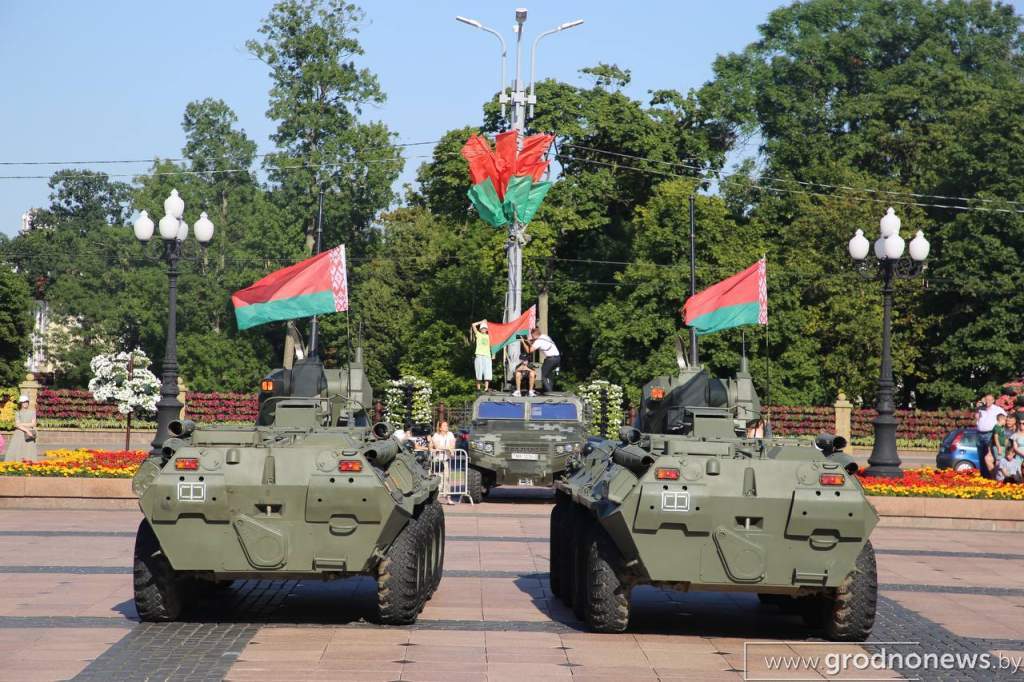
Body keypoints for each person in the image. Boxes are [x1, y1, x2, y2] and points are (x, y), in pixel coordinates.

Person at [974, 393, 1005, 479]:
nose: (987, 402)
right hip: (979, 434)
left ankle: (992, 476)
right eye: (986, 400)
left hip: (990, 434)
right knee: (981, 456)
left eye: (989, 400)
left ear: (993, 400)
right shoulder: (981, 409)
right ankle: (984, 476)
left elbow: (1004, 419)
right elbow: (977, 419)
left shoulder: (998, 409)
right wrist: (977, 409)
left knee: (990, 456)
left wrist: (1000, 431)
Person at [524, 327, 561, 394]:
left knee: (543, 375)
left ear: (534, 334)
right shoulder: (545, 336)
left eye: (532, 335)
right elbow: (536, 344)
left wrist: (522, 342)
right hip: (557, 358)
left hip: (551, 359)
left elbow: (529, 351)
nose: (532, 337)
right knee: (549, 375)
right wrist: (530, 342)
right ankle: (550, 390)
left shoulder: (538, 342)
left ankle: (549, 392)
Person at [5, 395, 37, 461]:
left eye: (26, 402)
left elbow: (33, 423)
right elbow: (17, 425)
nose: (25, 403)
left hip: (29, 436)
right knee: (17, 449)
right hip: (20, 434)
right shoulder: (18, 413)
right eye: (23, 402)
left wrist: (21, 424)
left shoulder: (32, 412)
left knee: (29, 450)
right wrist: (27, 431)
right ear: (21, 403)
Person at [471, 320, 492, 392]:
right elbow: (473, 325)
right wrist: (481, 322)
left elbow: (493, 345)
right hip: (479, 354)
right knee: (478, 372)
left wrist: (493, 354)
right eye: (482, 328)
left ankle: (486, 388)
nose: (484, 329)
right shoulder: (478, 334)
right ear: (480, 329)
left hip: (487, 355)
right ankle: (478, 388)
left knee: (487, 373)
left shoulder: (489, 336)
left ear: (487, 329)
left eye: (485, 328)